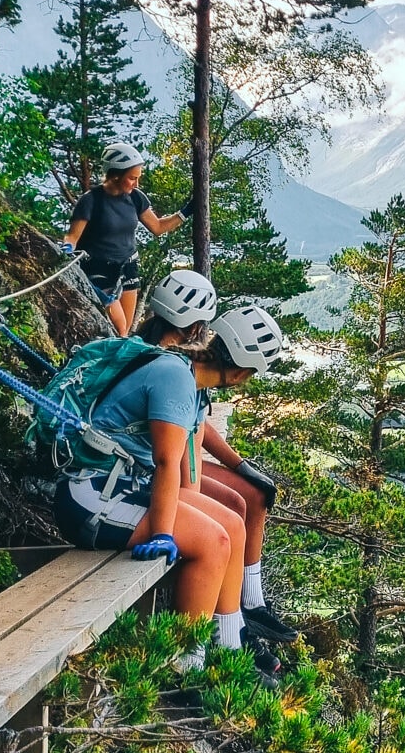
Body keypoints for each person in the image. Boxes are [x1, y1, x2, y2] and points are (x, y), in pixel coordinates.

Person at [49, 319, 275, 682]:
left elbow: (189, 478)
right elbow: (168, 461)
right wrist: (163, 533)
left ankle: (230, 646)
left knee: (230, 525)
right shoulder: (176, 379)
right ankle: (187, 668)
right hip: (90, 496)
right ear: (238, 374)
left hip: (119, 486)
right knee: (212, 542)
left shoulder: (191, 382)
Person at [135, 278, 299, 648]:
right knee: (230, 517)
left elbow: (193, 430)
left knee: (247, 500)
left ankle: (245, 613)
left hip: (153, 467)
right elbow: (177, 456)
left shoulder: (181, 361)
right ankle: (230, 634)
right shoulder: (177, 369)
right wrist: (177, 519)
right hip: (149, 472)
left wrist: (241, 465)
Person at [61, 142, 192, 336]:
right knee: (120, 327)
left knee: (124, 331)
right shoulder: (91, 200)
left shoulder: (136, 198)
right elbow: (72, 237)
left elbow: (157, 227)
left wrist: (187, 211)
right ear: (115, 175)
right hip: (98, 269)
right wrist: (67, 251)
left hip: (128, 267)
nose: (136, 184)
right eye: (132, 178)